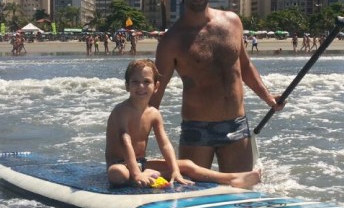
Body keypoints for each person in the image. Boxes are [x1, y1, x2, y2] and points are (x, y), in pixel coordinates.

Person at [152, 0, 282, 173]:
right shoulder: (171, 41)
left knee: (240, 195)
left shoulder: (233, 22)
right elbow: (155, 93)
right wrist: (135, 140)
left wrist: (268, 97)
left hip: (236, 125)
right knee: (193, 197)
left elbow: (244, 66)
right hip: (197, 129)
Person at [106, 59, 261, 189]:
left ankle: (232, 178)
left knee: (187, 164)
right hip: (120, 164)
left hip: (142, 163)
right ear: (127, 86)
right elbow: (124, 140)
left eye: (146, 82)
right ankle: (139, 176)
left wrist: (174, 170)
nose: (141, 87)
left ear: (156, 87)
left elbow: (165, 144)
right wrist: (136, 173)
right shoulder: (121, 111)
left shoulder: (153, 113)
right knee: (117, 175)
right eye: (135, 82)